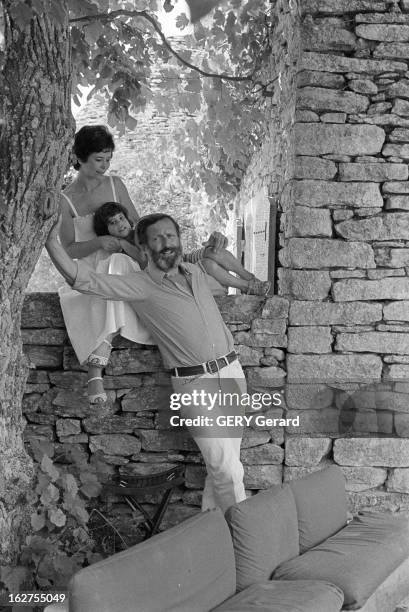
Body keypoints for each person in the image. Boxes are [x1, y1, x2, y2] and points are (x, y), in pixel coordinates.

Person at [46, 212, 248, 513]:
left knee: (222, 468)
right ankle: (247, 541)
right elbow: (83, 280)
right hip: (195, 383)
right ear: (143, 248)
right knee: (228, 469)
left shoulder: (194, 271)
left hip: (232, 372)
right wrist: (51, 242)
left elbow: (211, 252)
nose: (166, 242)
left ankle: (213, 538)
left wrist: (218, 242)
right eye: (157, 238)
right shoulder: (141, 285)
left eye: (171, 235)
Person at [58, 125, 154, 405]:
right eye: (98, 160)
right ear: (79, 157)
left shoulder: (116, 185)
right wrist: (100, 243)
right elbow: (70, 250)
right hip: (91, 270)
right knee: (110, 268)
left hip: (127, 263)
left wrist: (133, 250)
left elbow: (138, 227)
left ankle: (95, 369)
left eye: (108, 159)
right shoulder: (65, 200)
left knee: (118, 263)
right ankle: (97, 366)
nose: (104, 166)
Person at [94, 201, 271, 295]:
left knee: (212, 251)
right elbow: (143, 261)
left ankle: (250, 278)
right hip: (172, 270)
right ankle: (246, 287)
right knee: (208, 265)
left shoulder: (142, 229)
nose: (119, 224)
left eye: (121, 218)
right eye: (112, 223)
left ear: (127, 218)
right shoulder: (118, 249)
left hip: (181, 258)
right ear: (106, 230)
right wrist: (123, 244)